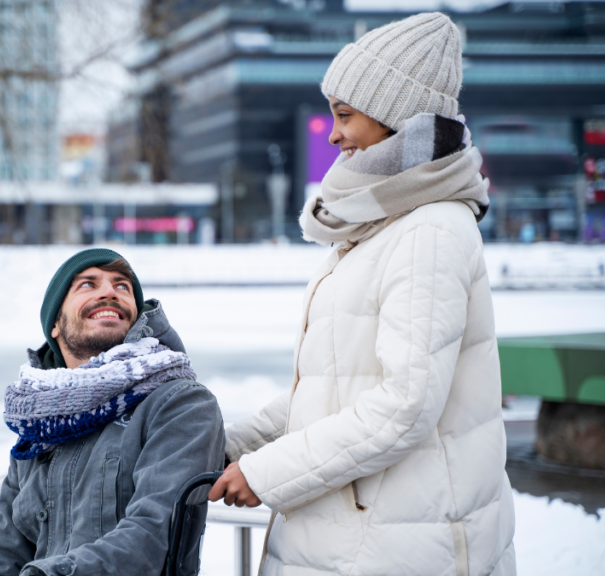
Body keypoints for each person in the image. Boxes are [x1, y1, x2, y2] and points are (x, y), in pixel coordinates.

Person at [209, 12, 517, 576]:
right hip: (361, 538)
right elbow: (336, 388)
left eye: (345, 114)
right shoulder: (384, 223)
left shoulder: (428, 229)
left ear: (395, 117)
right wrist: (236, 445)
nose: (332, 134)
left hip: (396, 548)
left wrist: (266, 473)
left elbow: (403, 406)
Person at [0, 248, 224, 576]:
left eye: (122, 286)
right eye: (87, 284)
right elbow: (4, 551)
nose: (109, 292)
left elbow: (152, 536)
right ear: (55, 325)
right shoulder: (39, 424)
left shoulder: (180, 404)